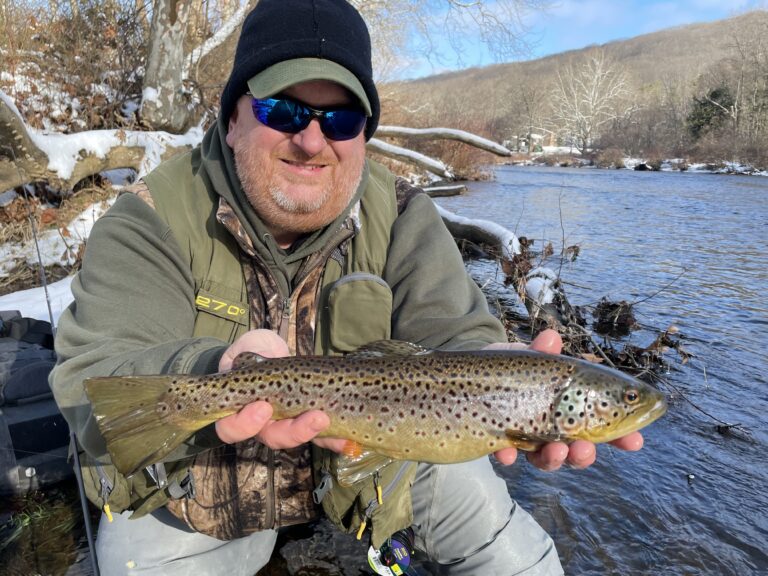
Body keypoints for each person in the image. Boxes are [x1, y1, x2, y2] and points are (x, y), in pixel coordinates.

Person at [49, 0, 643, 574]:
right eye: (282, 111)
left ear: (364, 135)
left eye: (340, 118)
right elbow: (94, 386)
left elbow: (453, 331)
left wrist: (495, 368)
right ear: (233, 119)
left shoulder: (405, 215)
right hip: (206, 481)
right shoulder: (150, 216)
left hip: (384, 458)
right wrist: (213, 371)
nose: (312, 141)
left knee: (520, 562)